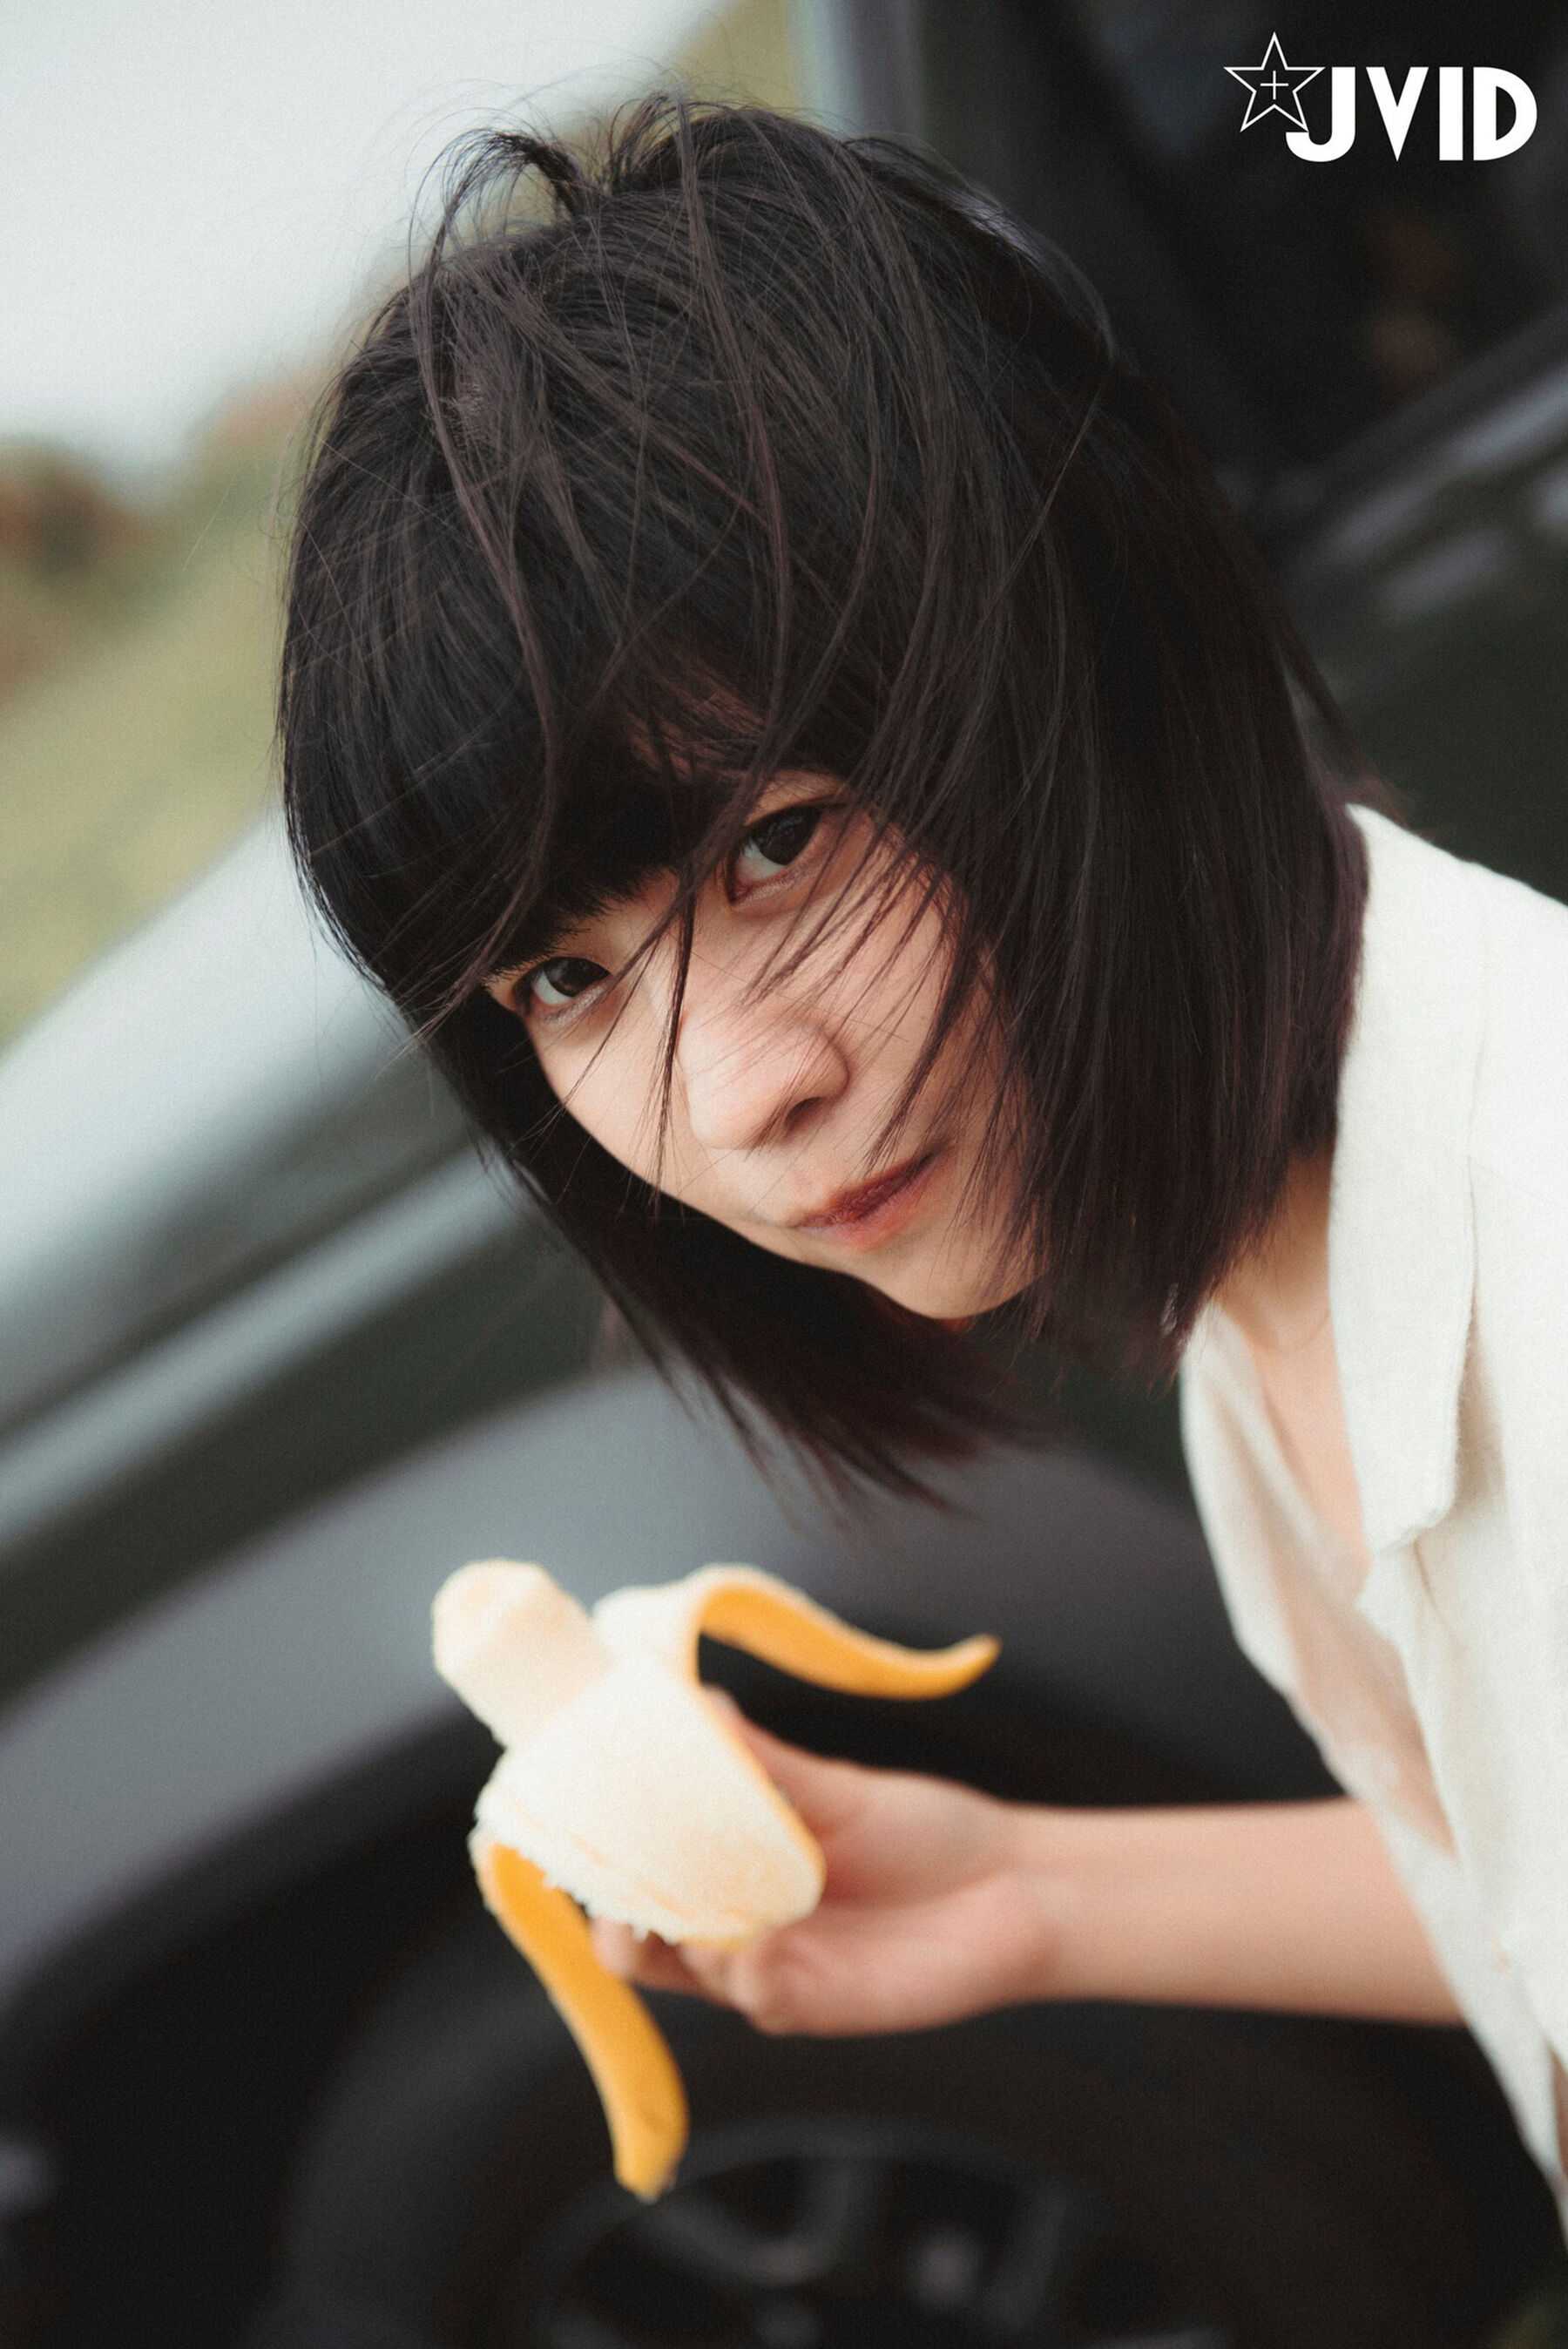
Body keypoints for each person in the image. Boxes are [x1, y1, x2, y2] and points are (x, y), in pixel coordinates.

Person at [274, 91, 1568, 2330]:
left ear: (1083, 636)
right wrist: (1025, 1895)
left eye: (777, 840)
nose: (741, 1095)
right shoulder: (1286, 1258)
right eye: (566, 979)